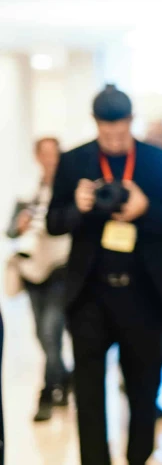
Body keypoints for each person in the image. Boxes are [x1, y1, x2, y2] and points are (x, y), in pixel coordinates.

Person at [46, 85, 162, 465]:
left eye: (121, 132)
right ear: (95, 125)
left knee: (144, 391)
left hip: (144, 294)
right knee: (89, 396)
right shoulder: (74, 161)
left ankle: (139, 457)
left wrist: (145, 208)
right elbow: (53, 222)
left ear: (131, 122)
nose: (113, 140)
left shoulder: (160, 163)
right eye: (105, 133)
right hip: (88, 296)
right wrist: (76, 208)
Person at [6, 137, 72, 421]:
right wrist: (18, 225)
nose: (50, 159)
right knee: (41, 335)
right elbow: (10, 230)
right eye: (44, 154)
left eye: (54, 154)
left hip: (60, 269)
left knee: (50, 331)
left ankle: (47, 392)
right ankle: (64, 378)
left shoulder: (67, 191)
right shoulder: (27, 193)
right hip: (32, 271)